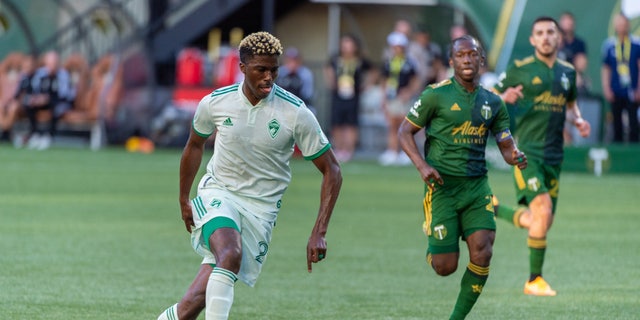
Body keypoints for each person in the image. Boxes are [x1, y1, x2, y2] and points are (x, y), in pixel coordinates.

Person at [157, 31, 342, 320]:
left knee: (193, 302)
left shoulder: (296, 113)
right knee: (230, 253)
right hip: (219, 193)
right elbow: (194, 145)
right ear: (242, 68)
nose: (269, 77)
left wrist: (319, 231)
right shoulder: (216, 102)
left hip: (261, 211)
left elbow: (332, 169)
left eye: (274, 70)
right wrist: (183, 198)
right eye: (261, 70)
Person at [398, 35, 527, 320]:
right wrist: (422, 166)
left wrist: (515, 156)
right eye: (461, 55)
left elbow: (506, 146)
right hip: (441, 187)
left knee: (482, 252)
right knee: (445, 267)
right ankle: (436, 236)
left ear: (481, 60)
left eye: (473, 55)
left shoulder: (493, 102)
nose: (467, 60)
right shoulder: (435, 94)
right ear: (451, 61)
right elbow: (404, 132)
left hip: (476, 187)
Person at [493, 16, 591, 296]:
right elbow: (484, 96)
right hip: (526, 154)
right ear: (532, 40)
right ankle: (534, 280)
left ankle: (495, 209)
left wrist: (579, 120)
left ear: (559, 38)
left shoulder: (568, 72)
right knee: (543, 209)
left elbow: (570, 105)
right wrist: (503, 97)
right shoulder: (520, 69)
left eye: (551, 32)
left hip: (554, 157)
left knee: (542, 221)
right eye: (540, 33)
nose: (546, 37)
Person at [324, 33, 371, 162]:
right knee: (337, 123)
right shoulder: (336, 59)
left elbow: (373, 71)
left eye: (349, 44)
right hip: (338, 94)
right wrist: (331, 82)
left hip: (353, 95)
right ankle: (339, 149)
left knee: (351, 124)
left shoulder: (359, 60)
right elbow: (328, 69)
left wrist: (365, 85)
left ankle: (349, 150)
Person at [379, 31, 420, 166]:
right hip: (392, 97)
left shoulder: (410, 62)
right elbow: (385, 81)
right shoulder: (389, 62)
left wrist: (409, 92)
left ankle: (405, 153)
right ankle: (392, 151)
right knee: (392, 125)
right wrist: (383, 98)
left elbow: (416, 80)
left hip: (404, 98)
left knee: (405, 126)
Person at [22, 51, 74, 150]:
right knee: (29, 104)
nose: (52, 66)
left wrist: (47, 98)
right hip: (43, 101)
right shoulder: (40, 74)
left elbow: (64, 94)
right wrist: (36, 99)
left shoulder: (63, 75)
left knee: (57, 109)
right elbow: (34, 89)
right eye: (50, 64)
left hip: (60, 102)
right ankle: (35, 134)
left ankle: (49, 136)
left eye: (54, 63)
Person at [601, 13, 640, 143]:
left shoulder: (636, 44)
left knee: (633, 124)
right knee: (616, 124)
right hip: (615, 90)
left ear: (628, 25)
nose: (621, 27)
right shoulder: (609, 45)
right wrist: (607, 88)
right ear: (615, 26)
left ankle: (634, 156)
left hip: (632, 91)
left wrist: (639, 89)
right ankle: (618, 155)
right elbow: (606, 69)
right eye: (619, 24)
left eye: (623, 24)